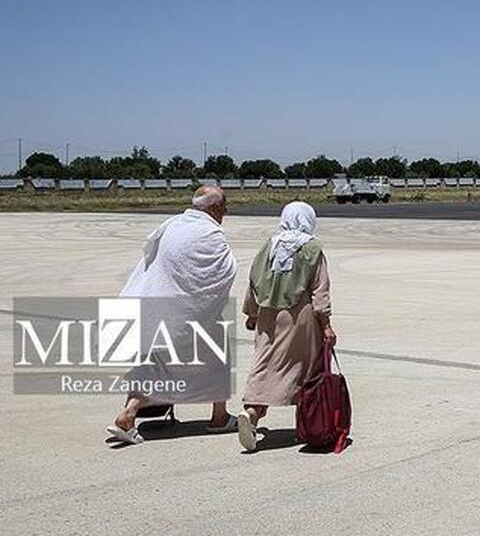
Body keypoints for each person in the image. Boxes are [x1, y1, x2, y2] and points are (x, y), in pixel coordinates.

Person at [105, 186, 238, 445]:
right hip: (195, 315)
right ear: (212, 208)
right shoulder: (210, 232)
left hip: (162, 312)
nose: (226, 211)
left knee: (159, 369)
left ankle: (130, 412)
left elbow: (151, 258)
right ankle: (219, 417)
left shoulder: (173, 224)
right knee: (216, 358)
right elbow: (222, 271)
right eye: (223, 206)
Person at [237, 201, 336, 452]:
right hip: (299, 316)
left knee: (264, 362)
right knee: (304, 369)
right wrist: (326, 325)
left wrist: (252, 312)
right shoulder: (312, 249)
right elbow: (319, 291)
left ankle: (253, 411)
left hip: (268, 314)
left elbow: (253, 281)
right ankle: (309, 423)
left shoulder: (268, 246)